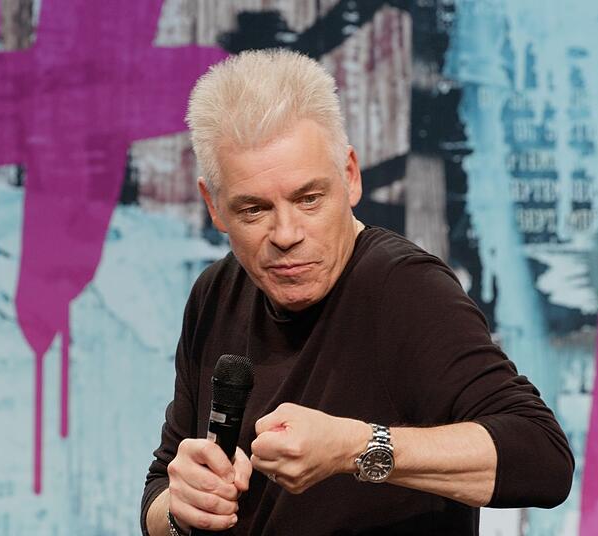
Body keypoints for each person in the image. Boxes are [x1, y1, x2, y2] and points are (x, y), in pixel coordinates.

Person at [141, 49, 573, 536]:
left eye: (309, 199)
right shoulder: (214, 293)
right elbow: (160, 488)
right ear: (214, 206)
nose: (286, 234)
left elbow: (543, 458)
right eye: (253, 210)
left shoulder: (405, 290)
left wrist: (356, 448)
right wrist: (181, 508)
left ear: (349, 176)